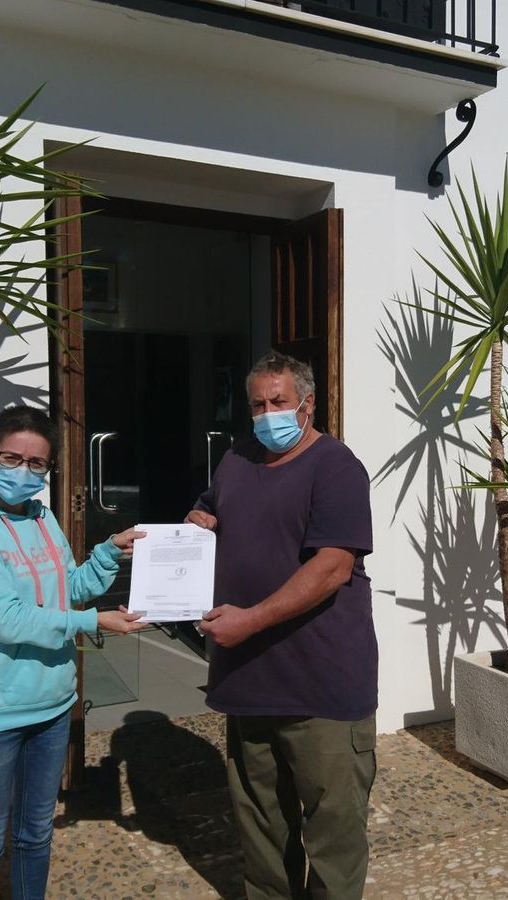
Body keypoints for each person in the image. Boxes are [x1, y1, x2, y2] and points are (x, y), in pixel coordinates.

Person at [188, 351, 377, 900]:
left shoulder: (336, 466)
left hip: (320, 687)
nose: (267, 413)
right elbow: (209, 511)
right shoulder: (235, 460)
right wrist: (196, 522)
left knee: (334, 835)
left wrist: (249, 620)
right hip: (249, 682)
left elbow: (332, 567)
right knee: (262, 832)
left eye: (279, 401)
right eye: (257, 404)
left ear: (307, 403)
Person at [0, 405, 145, 900]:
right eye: (13, 458)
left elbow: (68, 589)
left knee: (35, 836)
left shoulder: (43, 518)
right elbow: (6, 618)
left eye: (38, 464)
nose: (24, 471)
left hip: (52, 706)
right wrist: (92, 622)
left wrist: (108, 553)